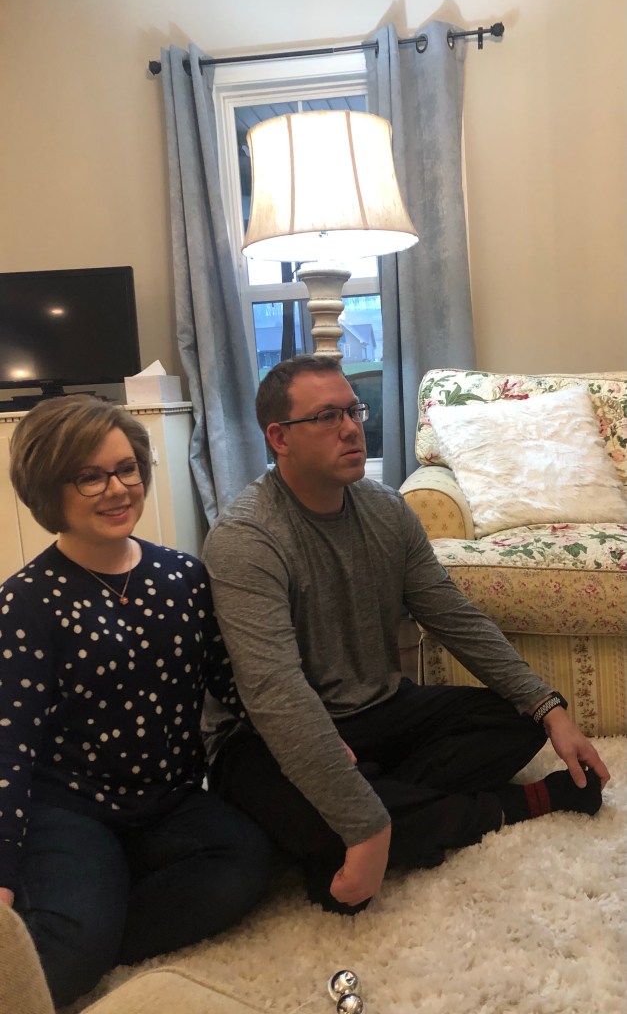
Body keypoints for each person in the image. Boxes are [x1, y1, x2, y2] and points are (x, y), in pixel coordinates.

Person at [203, 354, 610, 915]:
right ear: (279, 438)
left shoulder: (387, 510)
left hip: (379, 710)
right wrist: (361, 817)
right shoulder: (246, 538)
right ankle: (504, 807)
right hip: (270, 732)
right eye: (327, 416)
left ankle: (372, 810)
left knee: (515, 720)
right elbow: (275, 692)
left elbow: (454, 617)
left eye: (354, 411)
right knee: (280, 797)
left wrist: (550, 708)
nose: (352, 428)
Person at [0, 395, 273, 1008]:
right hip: (71, 810)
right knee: (62, 958)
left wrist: (315, 743)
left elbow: (234, 686)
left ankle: (100, 911)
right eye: (90, 476)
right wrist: (3, 873)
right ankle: (87, 918)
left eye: (127, 469)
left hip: (171, 799)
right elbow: (8, 748)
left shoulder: (184, 575)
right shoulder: (24, 604)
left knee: (248, 862)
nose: (118, 489)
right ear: (48, 489)